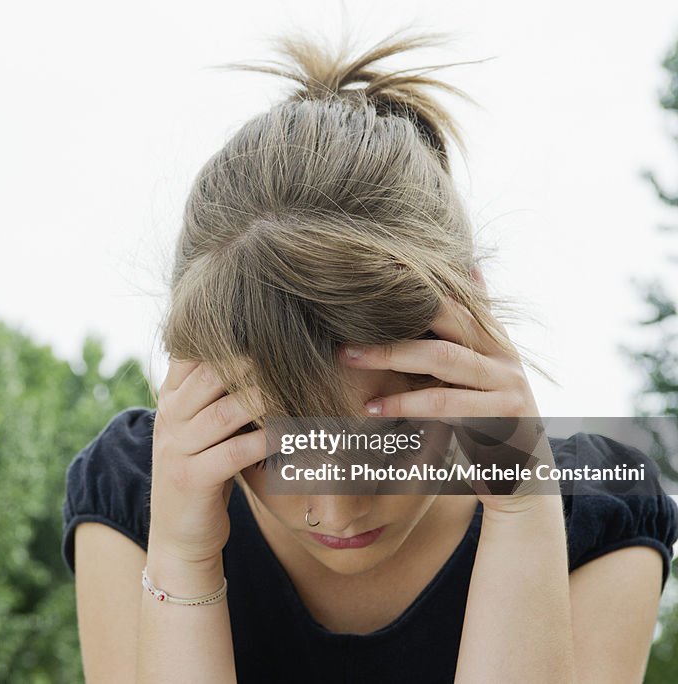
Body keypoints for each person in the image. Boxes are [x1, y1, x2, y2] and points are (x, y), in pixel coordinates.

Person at [60, 23, 678, 683]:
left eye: (385, 440)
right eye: (278, 450)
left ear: (470, 326)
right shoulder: (140, 492)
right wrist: (182, 558)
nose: (336, 510)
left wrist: (523, 511)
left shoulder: (599, 509)